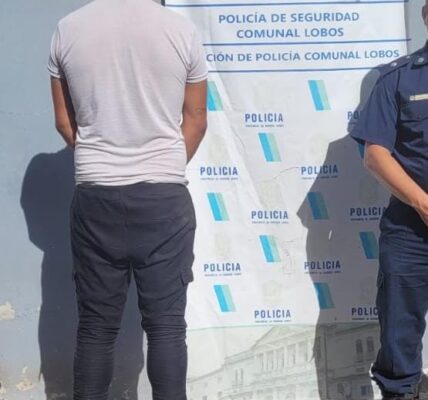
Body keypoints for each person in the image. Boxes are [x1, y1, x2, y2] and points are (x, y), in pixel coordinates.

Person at [47, 0, 208, 398]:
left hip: (95, 196)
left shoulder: (68, 29)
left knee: (96, 328)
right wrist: (163, 166)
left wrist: (102, 161)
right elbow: (196, 119)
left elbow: (64, 122)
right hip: (163, 200)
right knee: (166, 326)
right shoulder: (180, 30)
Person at [351, 3, 428, 399]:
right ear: (427, 16)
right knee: (399, 336)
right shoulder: (396, 79)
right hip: (411, 230)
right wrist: (423, 203)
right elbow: (376, 154)